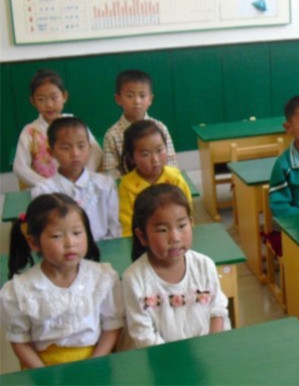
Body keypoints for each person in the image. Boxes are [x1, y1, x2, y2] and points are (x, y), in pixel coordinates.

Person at [0, 194, 124, 368]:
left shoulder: (102, 277)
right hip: (43, 368)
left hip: (96, 363)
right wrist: (43, 374)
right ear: (34, 242)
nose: (70, 243)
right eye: (57, 236)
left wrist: (95, 364)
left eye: (77, 233)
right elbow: (20, 341)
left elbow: (112, 326)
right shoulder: (21, 289)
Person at [122, 184, 229, 348]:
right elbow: (143, 334)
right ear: (142, 236)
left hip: (208, 350)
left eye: (181, 226)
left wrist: (212, 345)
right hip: (162, 356)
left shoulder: (204, 265)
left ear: (191, 223)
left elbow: (218, 309)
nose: (175, 238)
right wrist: (175, 359)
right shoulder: (134, 278)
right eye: (162, 230)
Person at [32, 117, 121, 240]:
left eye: (81, 146)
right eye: (66, 148)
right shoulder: (43, 192)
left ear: (89, 147)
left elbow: (115, 229)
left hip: (104, 248)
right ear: (51, 152)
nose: (75, 153)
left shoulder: (105, 184)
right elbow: (45, 234)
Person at [13, 69, 102, 187]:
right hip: (48, 192)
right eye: (41, 99)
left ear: (64, 96)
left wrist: (83, 178)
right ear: (33, 101)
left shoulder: (75, 124)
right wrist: (48, 185)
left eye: (54, 97)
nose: (49, 104)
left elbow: (96, 151)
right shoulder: (30, 132)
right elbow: (19, 167)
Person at [118, 120, 191, 237]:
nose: (155, 160)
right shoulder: (127, 186)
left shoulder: (175, 179)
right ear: (131, 158)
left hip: (176, 237)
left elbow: (187, 217)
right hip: (142, 241)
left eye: (159, 150)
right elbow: (128, 227)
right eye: (145, 154)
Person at [103, 70, 177, 179]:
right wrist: (134, 184)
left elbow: (171, 162)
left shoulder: (160, 127)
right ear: (118, 99)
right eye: (129, 96)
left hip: (161, 185)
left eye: (142, 96)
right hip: (129, 187)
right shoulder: (112, 135)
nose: (137, 101)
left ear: (150, 99)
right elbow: (111, 172)